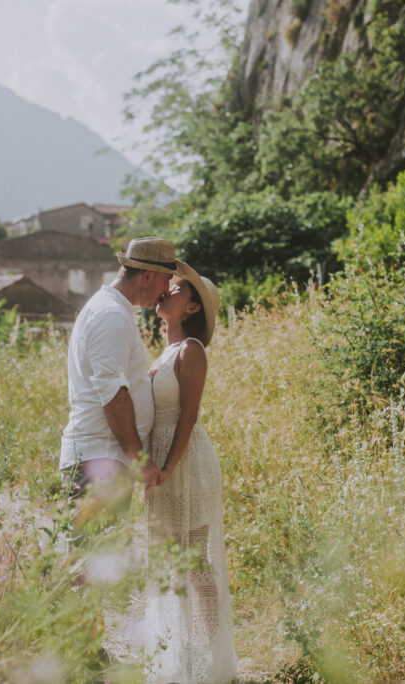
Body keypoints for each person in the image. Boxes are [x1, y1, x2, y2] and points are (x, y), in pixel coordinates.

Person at [144, 261, 236, 683]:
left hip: (185, 460)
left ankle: (213, 658)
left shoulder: (190, 351)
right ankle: (181, 652)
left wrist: (167, 465)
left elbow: (189, 416)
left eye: (176, 288)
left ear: (193, 308)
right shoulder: (163, 351)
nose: (166, 290)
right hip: (162, 464)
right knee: (171, 560)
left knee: (194, 561)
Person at [59, 237, 177, 545]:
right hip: (100, 459)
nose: (167, 290)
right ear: (148, 276)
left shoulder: (115, 311)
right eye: (166, 279)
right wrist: (138, 458)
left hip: (105, 458)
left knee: (101, 563)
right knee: (93, 566)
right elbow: (112, 391)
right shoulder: (110, 315)